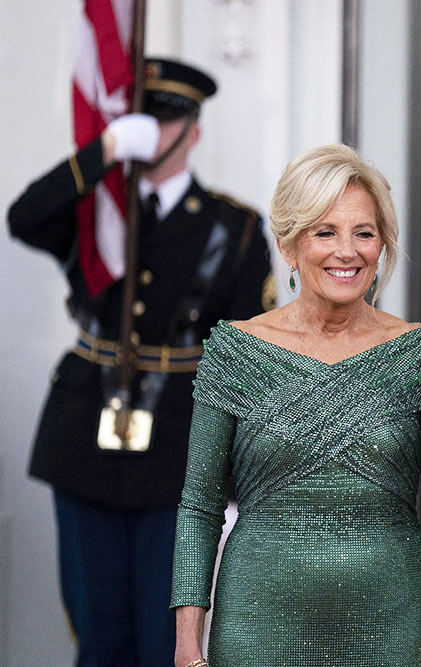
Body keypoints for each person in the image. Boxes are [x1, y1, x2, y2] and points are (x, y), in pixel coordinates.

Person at [7, 58, 272, 666]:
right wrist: (102, 151)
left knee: (166, 637)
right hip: (84, 440)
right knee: (99, 636)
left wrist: (240, 470)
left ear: (193, 131)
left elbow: (252, 362)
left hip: (181, 454)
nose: (150, 128)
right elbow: (22, 218)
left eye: (164, 117)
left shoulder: (234, 229)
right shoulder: (95, 213)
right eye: (139, 116)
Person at [170, 144, 421, 667]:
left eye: (364, 232)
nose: (348, 251)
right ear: (288, 246)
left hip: (393, 625)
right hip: (257, 625)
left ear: (381, 245)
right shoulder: (234, 350)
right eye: (325, 232)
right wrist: (186, 647)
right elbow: (199, 505)